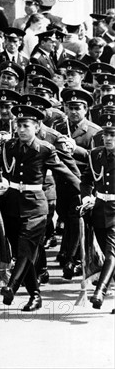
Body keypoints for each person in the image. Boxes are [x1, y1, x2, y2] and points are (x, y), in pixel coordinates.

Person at [0, 104, 81, 311]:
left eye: (26, 125)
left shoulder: (45, 149)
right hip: (12, 204)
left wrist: (86, 194)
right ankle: (35, 295)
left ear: (37, 126)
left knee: (26, 248)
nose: (21, 129)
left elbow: (65, 173)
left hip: (36, 206)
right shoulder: (9, 147)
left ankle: (11, 287)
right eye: (19, 125)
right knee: (23, 252)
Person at [80, 112, 115, 310]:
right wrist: (87, 197)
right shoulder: (96, 154)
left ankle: (99, 291)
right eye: (106, 134)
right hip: (100, 209)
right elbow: (86, 180)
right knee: (108, 251)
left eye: (113, 134)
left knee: (111, 253)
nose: (108, 138)